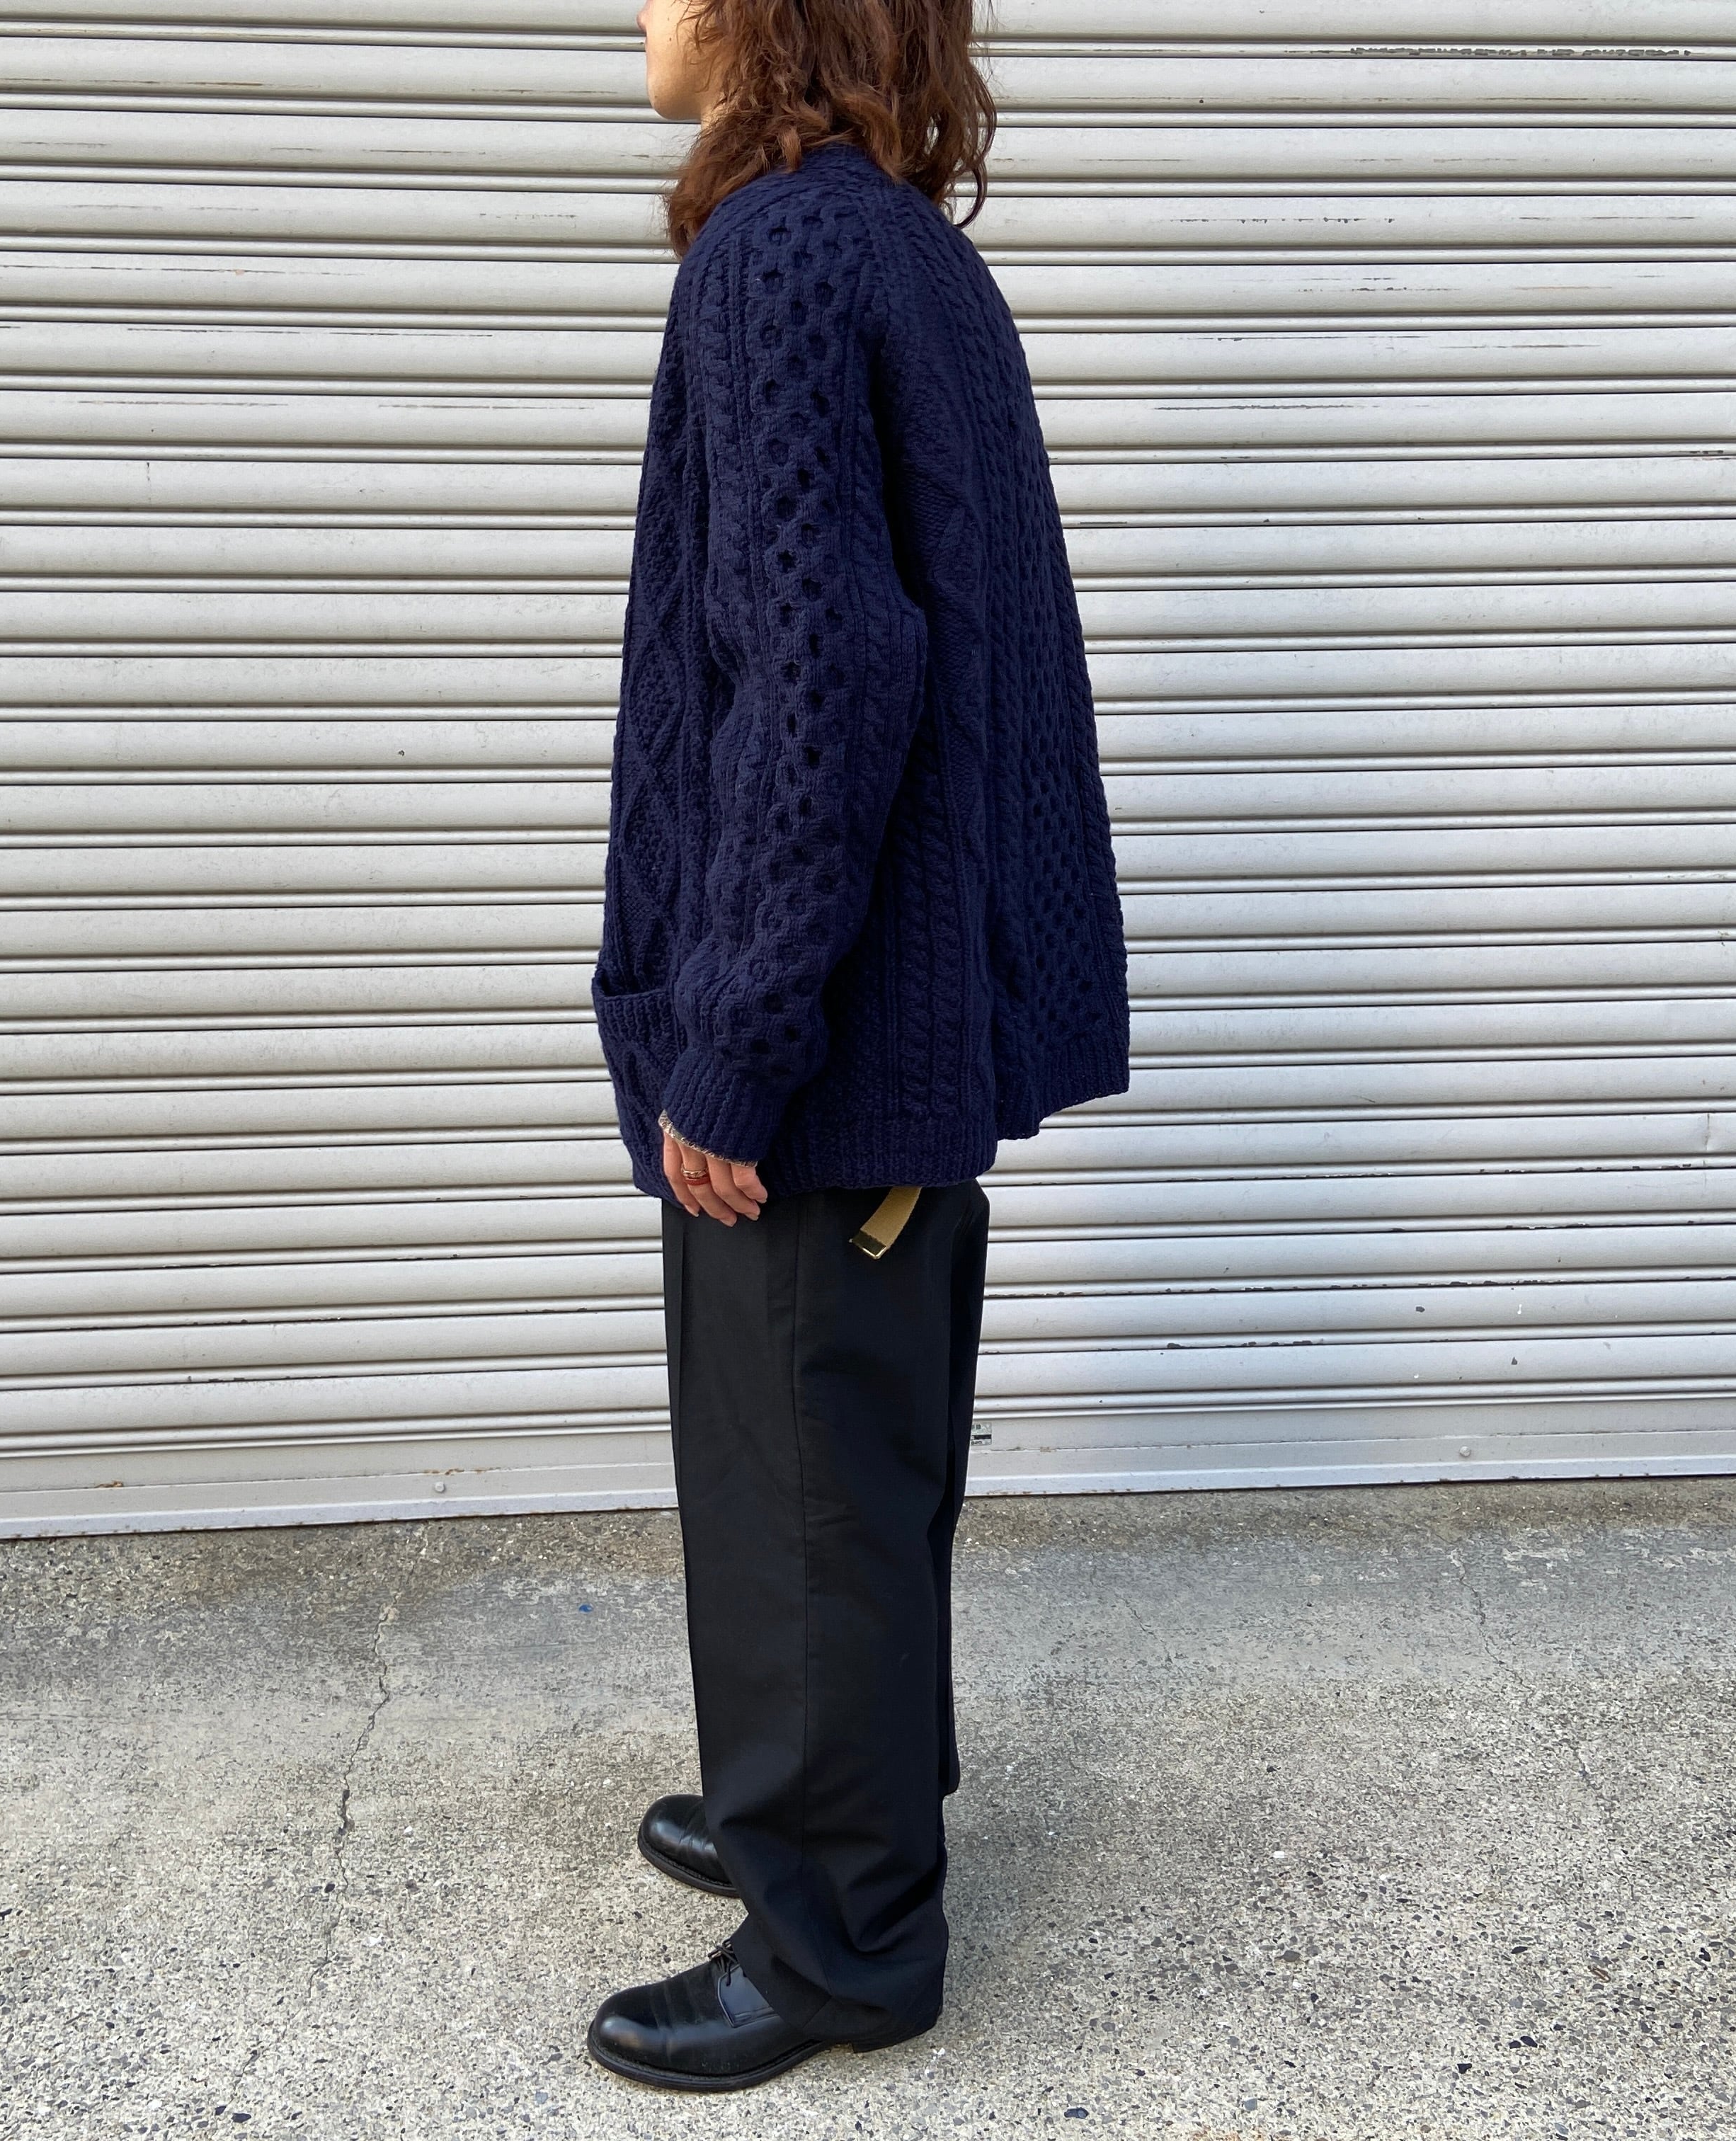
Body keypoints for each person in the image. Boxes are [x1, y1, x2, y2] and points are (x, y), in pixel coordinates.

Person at [585, 0, 1130, 2093]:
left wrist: (734, 1045)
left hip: (825, 1037)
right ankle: (819, 1789)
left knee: (801, 1479)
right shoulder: (899, 243)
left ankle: (843, 1939)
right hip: (891, 1009)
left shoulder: (782, 253)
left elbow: (824, 679)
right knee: (838, 1465)